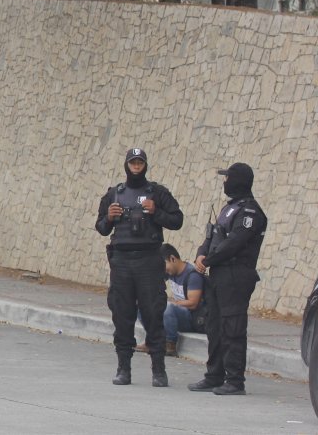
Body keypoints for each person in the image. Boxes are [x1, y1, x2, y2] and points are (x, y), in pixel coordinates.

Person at [94, 147, 183, 388]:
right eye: (132, 162)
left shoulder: (157, 193)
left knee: (154, 314)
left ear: (145, 165)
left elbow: (177, 220)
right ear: (126, 164)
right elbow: (101, 227)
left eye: (139, 162)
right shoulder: (114, 194)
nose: (136, 166)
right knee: (122, 315)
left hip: (148, 261)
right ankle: (124, 368)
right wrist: (109, 218)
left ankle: (158, 369)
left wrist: (157, 213)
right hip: (122, 262)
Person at [188, 163, 267, 396]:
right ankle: (214, 375)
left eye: (228, 178)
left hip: (236, 274)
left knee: (233, 327)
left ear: (239, 180)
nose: (224, 182)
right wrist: (202, 254)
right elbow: (212, 236)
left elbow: (235, 243)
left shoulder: (250, 211)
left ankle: (234, 380)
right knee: (214, 326)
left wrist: (209, 260)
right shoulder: (228, 209)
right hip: (218, 274)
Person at [135, 243, 204, 357]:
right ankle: (152, 340)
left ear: (172, 259)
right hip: (173, 315)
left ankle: (169, 344)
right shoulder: (170, 272)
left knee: (167, 307)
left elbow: (193, 303)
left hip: (192, 318)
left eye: (163, 266)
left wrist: (171, 304)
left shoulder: (192, 275)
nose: (163, 271)